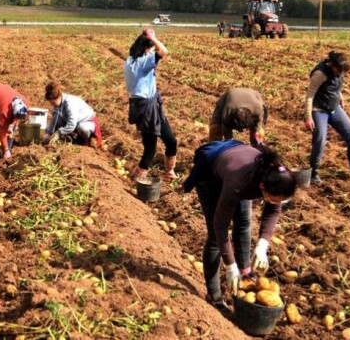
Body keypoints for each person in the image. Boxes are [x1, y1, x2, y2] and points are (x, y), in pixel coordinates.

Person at [183, 140, 297, 310]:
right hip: (210, 174)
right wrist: (230, 266)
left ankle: (245, 272)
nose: (277, 203)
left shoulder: (277, 176)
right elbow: (220, 225)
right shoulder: (239, 182)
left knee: (244, 221)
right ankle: (214, 296)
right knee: (215, 238)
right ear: (262, 188)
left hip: (237, 168)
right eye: (274, 198)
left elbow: (273, 210)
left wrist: (262, 244)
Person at [305, 51, 350, 184]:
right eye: (338, 70)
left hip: (333, 108)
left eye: (342, 71)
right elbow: (309, 96)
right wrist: (308, 117)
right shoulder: (319, 74)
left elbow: (336, 87)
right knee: (320, 139)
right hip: (319, 109)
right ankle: (314, 171)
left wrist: (340, 98)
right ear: (331, 64)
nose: (339, 73)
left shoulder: (340, 70)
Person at [124, 29, 178, 178]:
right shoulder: (142, 62)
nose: (152, 52)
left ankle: (169, 171)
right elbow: (164, 51)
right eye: (151, 49)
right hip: (147, 107)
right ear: (146, 49)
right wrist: (153, 38)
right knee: (150, 150)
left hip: (149, 105)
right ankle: (137, 179)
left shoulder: (130, 61)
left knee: (171, 141)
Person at [43, 81, 102, 148]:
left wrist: (58, 133)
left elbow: (71, 124)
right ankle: (70, 137)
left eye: (53, 103)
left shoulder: (70, 103)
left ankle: (83, 141)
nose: (52, 105)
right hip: (75, 123)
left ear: (59, 97)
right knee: (59, 120)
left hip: (87, 121)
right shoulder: (58, 104)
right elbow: (54, 121)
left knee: (82, 128)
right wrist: (48, 133)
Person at [0, 83, 29, 160]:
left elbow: (18, 117)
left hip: (2, 96)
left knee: (11, 130)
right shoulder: (5, 112)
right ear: (12, 111)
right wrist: (6, 150)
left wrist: (12, 125)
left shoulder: (25, 103)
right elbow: (2, 133)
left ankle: (6, 152)